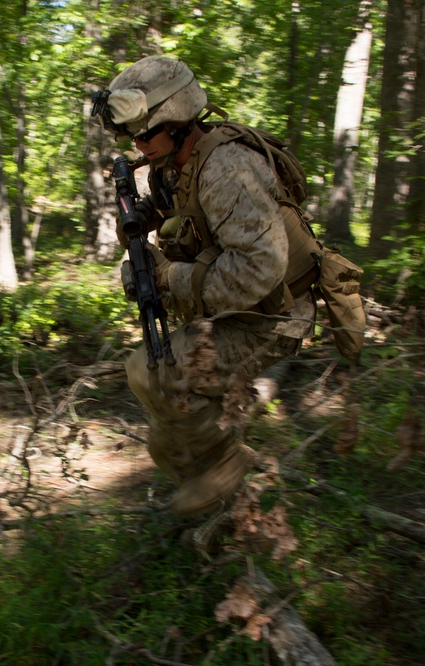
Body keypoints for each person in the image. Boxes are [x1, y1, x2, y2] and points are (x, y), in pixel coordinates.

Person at [92, 56, 315, 541]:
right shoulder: (175, 165)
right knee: (164, 431)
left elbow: (258, 269)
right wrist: (142, 219)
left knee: (158, 373)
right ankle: (220, 516)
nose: (138, 146)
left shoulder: (227, 169)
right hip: (239, 306)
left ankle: (228, 469)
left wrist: (169, 276)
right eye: (131, 137)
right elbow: (178, 208)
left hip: (273, 317)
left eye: (144, 135)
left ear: (176, 121)